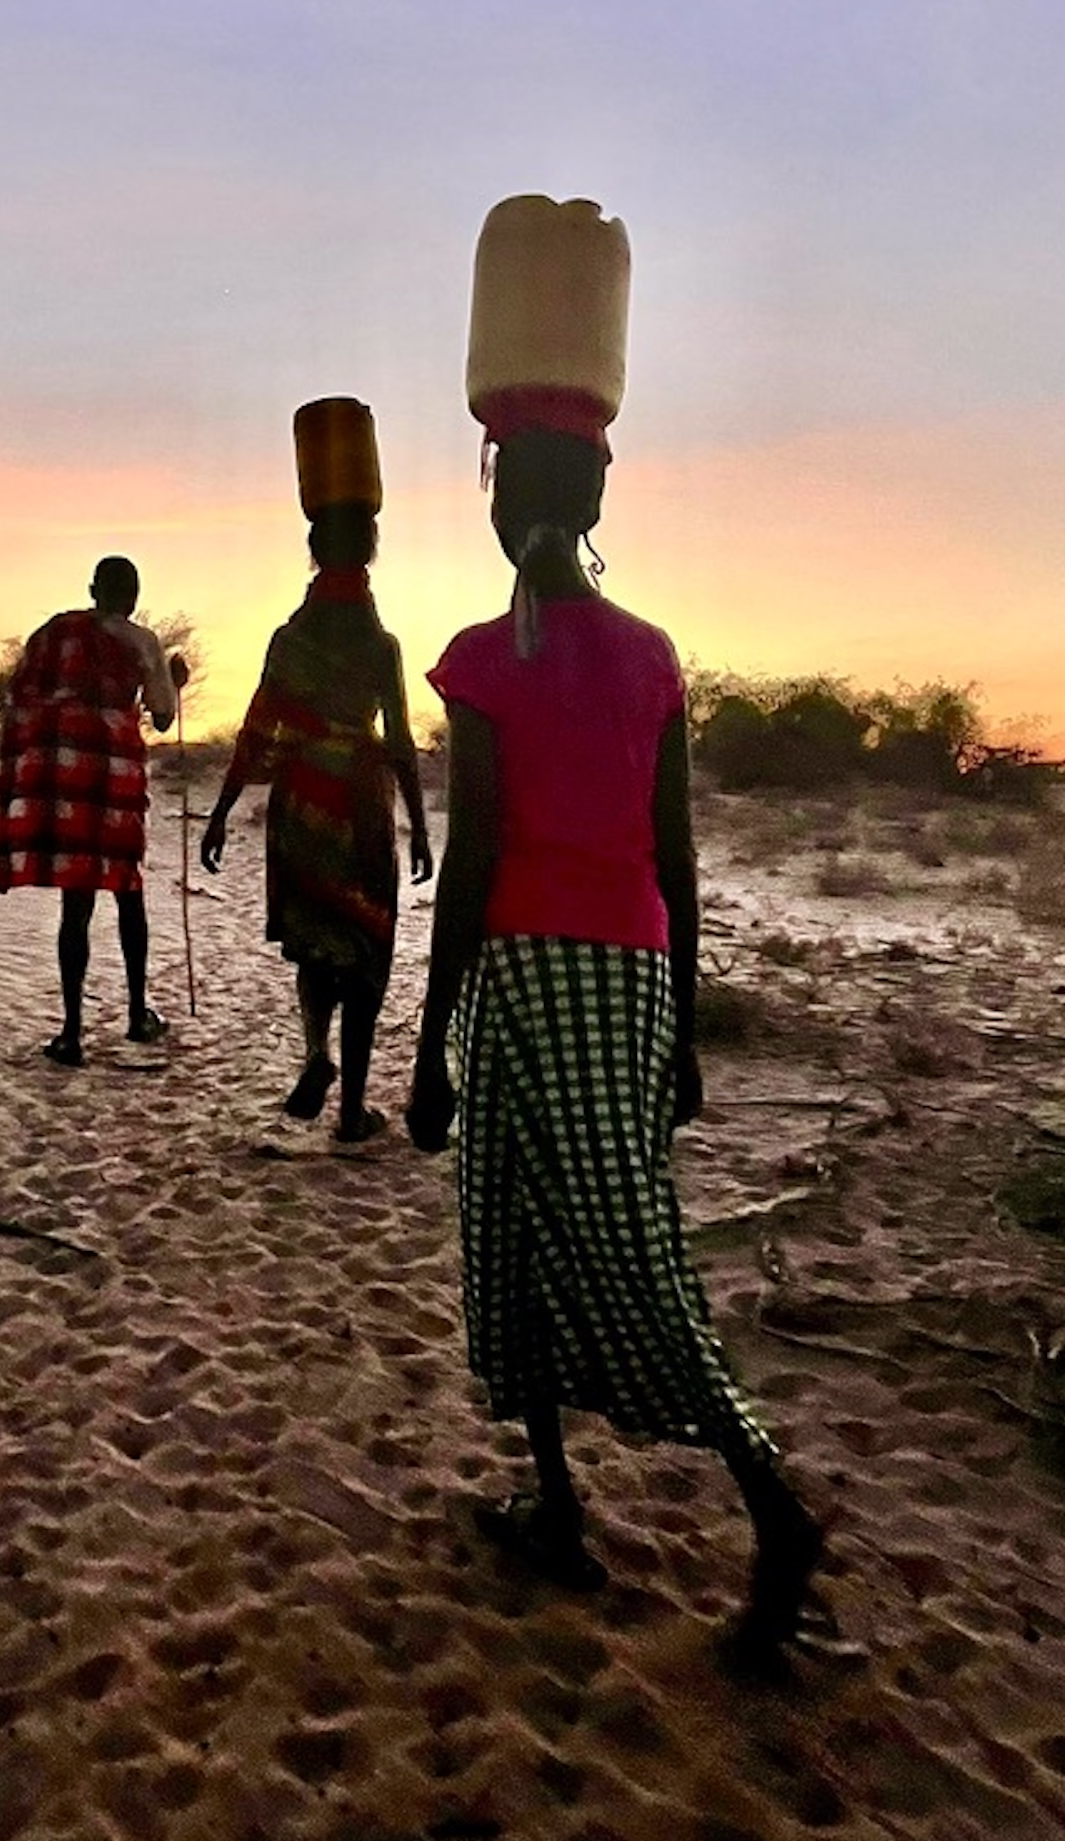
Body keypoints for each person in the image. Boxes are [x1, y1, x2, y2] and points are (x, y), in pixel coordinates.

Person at [405, 429, 825, 1673]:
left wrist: (429, 1043)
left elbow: (474, 860)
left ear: (498, 510)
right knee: (552, 1233)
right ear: (592, 504)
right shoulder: (651, 656)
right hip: (634, 977)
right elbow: (677, 859)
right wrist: (680, 1032)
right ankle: (555, 1508)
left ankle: (773, 1506)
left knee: (582, 1251)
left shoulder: (485, 660)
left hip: (526, 975)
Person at [200, 500, 433, 1142]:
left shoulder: (290, 641)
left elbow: (255, 731)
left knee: (314, 939)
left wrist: (221, 812)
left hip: (302, 799)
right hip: (360, 799)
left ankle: (314, 1053)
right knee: (364, 945)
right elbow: (401, 742)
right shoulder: (380, 646)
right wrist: (419, 823)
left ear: (313, 551)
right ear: (371, 551)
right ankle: (352, 1110)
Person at [0, 555, 188, 1067]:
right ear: (134, 596)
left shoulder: (53, 633)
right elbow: (161, 717)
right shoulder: (141, 642)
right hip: (117, 776)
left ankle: (71, 1032)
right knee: (127, 889)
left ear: (93, 590)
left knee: (77, 902)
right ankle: (137, 1014)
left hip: (65, 776)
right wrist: (174, 682)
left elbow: (20, 694)